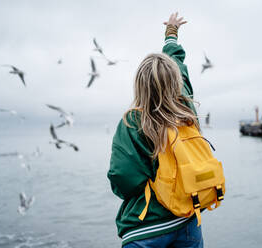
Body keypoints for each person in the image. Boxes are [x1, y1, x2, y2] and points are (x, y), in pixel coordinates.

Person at [108, 12, 203, 248]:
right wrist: (171, 35)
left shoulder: (132, 121)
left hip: (145, 227)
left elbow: (121, 179)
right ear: (175, 82)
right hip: (187, 219)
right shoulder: (185, 107)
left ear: (139, 84)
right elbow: (179, 66)